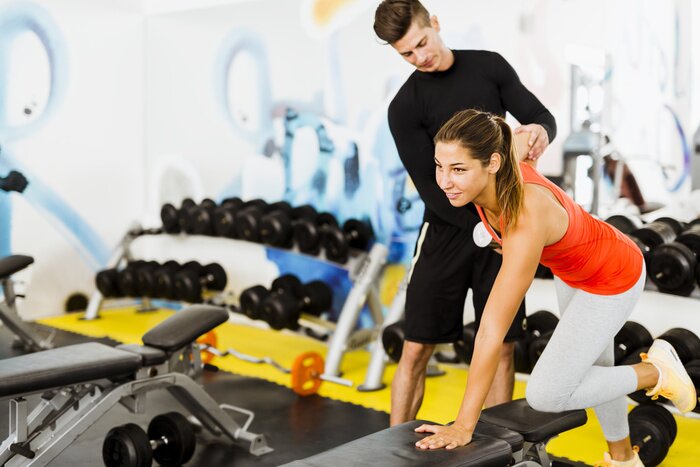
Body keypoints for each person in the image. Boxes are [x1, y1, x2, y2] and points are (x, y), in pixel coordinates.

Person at [414, 108, 697, 466]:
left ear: (492, 163)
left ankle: (656, 371)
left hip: (613, 274)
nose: (445, 181)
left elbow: (490, 331)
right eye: (440, 166)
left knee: (547, 394)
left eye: (458, 170)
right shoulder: (503, 154)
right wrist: (534, 133)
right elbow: (518, 137)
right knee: (600, 365)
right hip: (571, 269)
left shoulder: (525, 216)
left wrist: (463, 425)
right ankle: (624, 459)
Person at [373, 0, 557, 425]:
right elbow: (435, 188)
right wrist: (485, 229)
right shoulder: (404, 107)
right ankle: (391, 447)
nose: (420, 57)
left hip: (505, 225)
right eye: (406, 54)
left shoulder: (488, 67)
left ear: (434, 24)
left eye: (421, 42)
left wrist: (538, 133)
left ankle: (499, 448)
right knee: (415, 345)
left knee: (504, 344)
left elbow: (539, 115)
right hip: (448, 231)